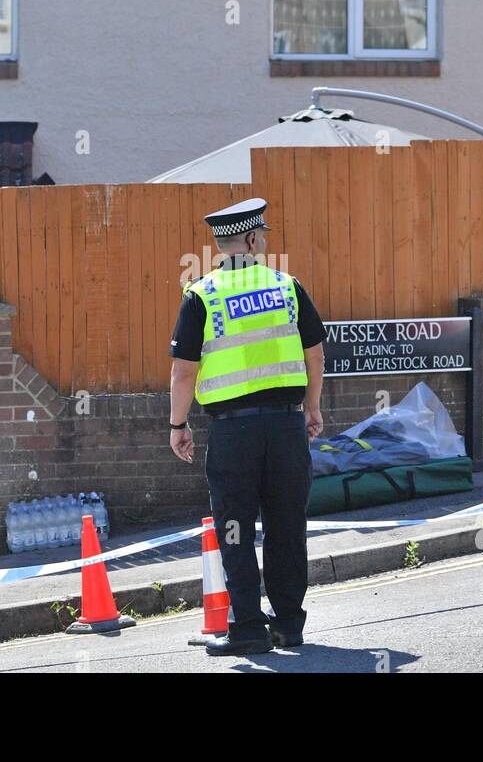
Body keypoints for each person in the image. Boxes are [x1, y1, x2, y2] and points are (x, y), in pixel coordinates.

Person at [168, 197, 326, 655]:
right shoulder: (287, 286)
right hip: (286, 428)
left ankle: (250, 631)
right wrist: (311, 408)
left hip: (233, 434)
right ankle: (289, 626)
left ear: (222, 245)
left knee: (234, 528)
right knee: (286, 526)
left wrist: (178, 424)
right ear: (254, 240)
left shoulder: (202, 295)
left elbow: (183, 371)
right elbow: (314, 354)